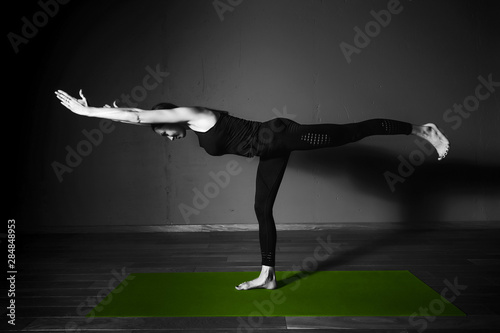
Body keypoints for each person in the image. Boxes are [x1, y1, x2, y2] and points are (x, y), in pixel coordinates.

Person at [55, 89, 450, 290]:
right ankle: (268, 275)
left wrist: (88, 111)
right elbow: (139, 117)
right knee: (262, 209)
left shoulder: (194, 114)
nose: (168, 138)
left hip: (279, 135)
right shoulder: (193, 128)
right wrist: (111, 111)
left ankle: (421, 130)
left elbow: (140, 115)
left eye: (163, 133)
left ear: (169, 117)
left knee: (352, 133)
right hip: (270, 149)